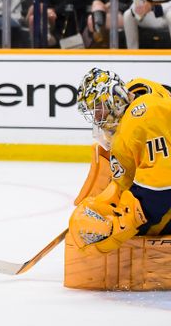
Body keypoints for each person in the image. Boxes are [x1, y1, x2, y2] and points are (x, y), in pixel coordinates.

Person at [70, 70, 171, 254]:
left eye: (98, 109)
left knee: (132, 229)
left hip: (165, 191)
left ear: (114, 100)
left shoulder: (143, 118)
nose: (97, 119)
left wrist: (121, 222)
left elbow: (162, 188)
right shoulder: (140, 89)